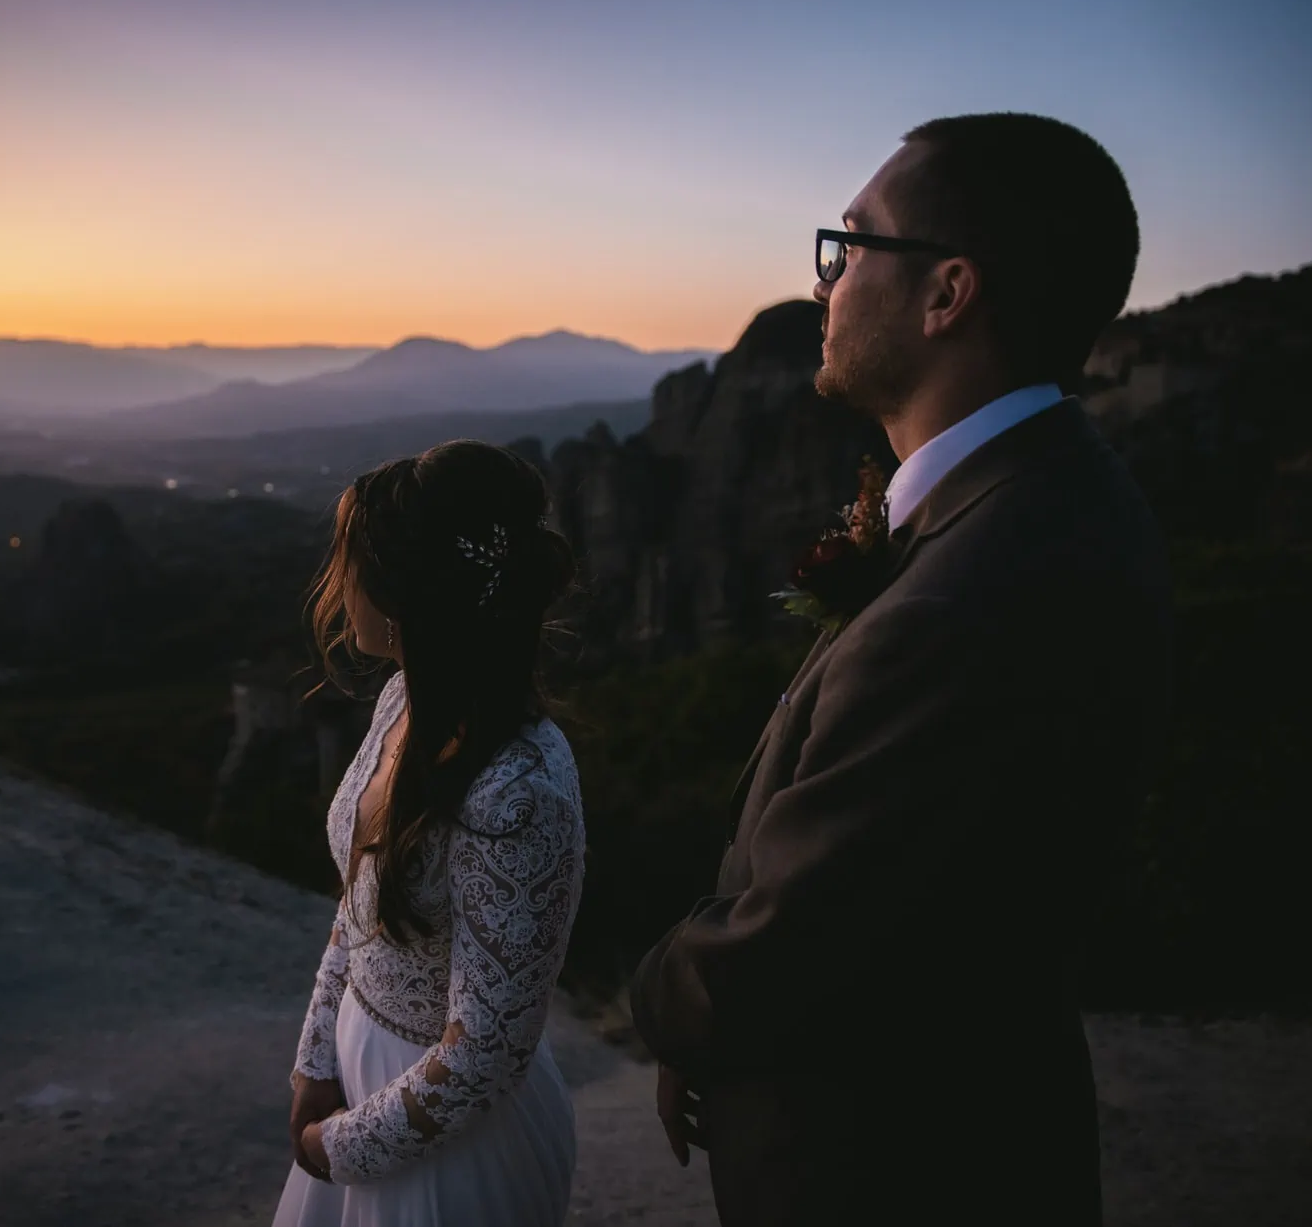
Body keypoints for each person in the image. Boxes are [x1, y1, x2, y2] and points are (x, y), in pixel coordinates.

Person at [629, 112, 1174, 1226]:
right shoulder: (1029, 502)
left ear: (947, 293)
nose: (826, 282)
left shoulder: (977, 586)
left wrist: (670, 1010)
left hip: (890, 1169)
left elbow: (806, 936)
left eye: (852, 245)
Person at [272, 439, 586, 1226]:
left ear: (410, 592)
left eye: (355, 564)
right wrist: (317, 1057)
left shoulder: (518, 789)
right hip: (358, 1071)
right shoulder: (402, 701)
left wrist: (336, 1148)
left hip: (455, 1135)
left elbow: (486, 1052)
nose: (340, 585)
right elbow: (361, 898)